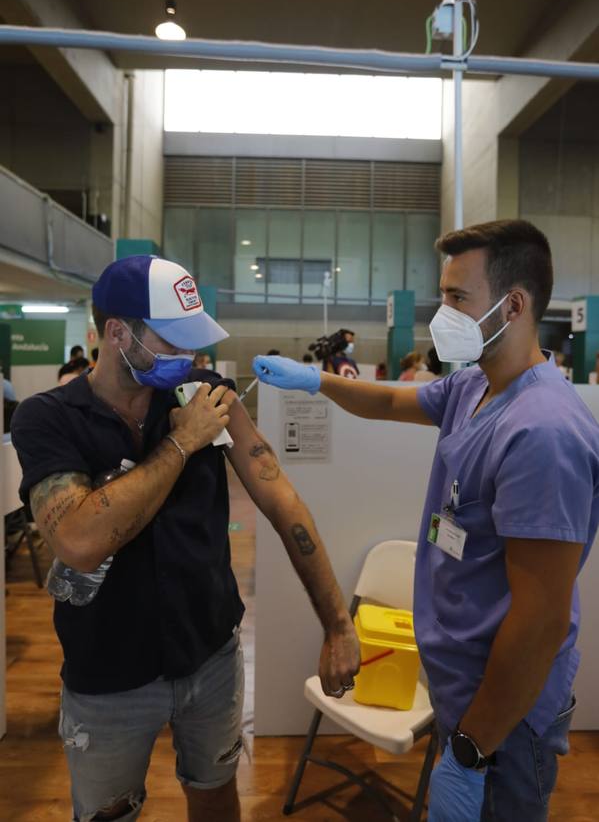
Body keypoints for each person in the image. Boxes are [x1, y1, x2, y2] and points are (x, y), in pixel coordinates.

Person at [252, 219, 599, 821]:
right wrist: (316, 380)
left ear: (513, 305)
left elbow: (540, 624)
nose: (443, 314)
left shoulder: (543, 431)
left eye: (458, 298)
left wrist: (470, 751)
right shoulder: (474, 387)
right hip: (461, 686)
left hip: (504, 719)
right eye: (444, 295)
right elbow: (388, 401)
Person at [11, 255, 359, 822]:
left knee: (217, 794)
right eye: (172, 343)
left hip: (211, 658)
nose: (191, 359)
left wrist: (338, 623)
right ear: (117, 333)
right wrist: (182, 445)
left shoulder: (205, 395)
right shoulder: (47, 419)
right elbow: (78, 540)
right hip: (108, 674)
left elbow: (281, 501)